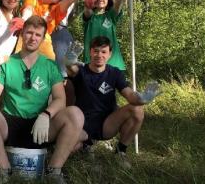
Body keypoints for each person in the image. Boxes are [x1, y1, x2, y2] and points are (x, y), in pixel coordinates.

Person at [0, 16, 86, 184]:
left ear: (42, 39)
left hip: (40, 127)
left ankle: (54, 172)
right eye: (29, 33)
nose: (32, 37)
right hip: (10, 124)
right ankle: (4, 172)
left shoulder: (50, 65)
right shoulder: (7, 62)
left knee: (76, 114)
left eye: (37, 34)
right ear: (22, 34)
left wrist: (46, 114)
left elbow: (60, 99)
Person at [65, 36, 160, 167]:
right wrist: (68, 62)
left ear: (109, 54)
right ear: (90, 52)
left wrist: (141, 99)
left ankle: (120, 151)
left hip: (107, 124)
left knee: (137, 110)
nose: (99, 55)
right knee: (69, 150)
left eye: (103, 52)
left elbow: (129, 95)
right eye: (96, 51)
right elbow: (71, 69)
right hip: (82, 125)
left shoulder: (114, 73)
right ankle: (86, 146)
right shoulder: (81, 71)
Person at [82, 0, 142, 70]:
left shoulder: (110, 16)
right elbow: (87, 12)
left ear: (108, 0)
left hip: (113, 63)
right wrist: (87, 6)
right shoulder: (90, 17)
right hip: (92, 63)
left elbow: (118, 1)